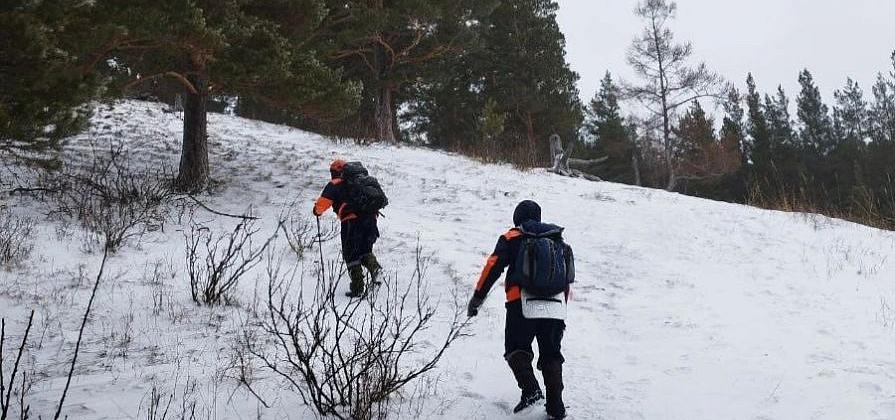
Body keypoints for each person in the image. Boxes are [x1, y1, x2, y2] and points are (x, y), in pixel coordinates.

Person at [467, 200, 571, 419]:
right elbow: (566, 276)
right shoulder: (557, 239)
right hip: (555, 305)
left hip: (520, 302)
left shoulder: (512, 237)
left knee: (516, 349)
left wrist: (477, 298)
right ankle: (556, 408)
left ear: (517, 217)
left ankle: (531, 391)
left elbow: (492, 266)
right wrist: (562, 306)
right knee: (551, 353)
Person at [313, 159, 382, 297]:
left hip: (351, 222)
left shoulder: (335, 184)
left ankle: (357, 288)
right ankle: (376, 270)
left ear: (335, 172)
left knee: (351, 254)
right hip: (371, 219)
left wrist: (317, 211)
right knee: (364, 249)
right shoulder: (362, 181)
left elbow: (322, 204)